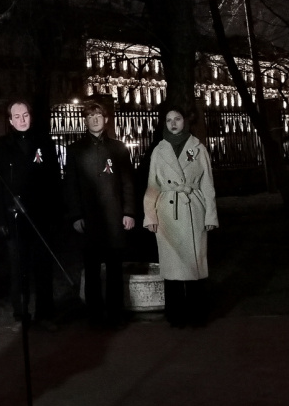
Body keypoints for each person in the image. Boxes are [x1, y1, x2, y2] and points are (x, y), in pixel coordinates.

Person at [143, 105, 218, 327]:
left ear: (185, 121)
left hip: (193, 209)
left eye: (177, 119)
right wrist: (150, 216)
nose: (173, 123)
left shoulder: (198, 148)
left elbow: (207, 184)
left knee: (194, 266)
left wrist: (211, 216)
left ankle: (196, 315)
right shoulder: (159, 150)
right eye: (168, 120)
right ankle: (175, 316)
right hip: (167, 213)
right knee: (172, 267)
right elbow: (152, 185)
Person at [65, 99, 137, 328]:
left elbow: (127, 182)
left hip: (114, 217)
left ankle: (115, 315)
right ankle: (95, 316)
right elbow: (71, 186)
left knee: (115, 269)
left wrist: (129, 212)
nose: (94, 120)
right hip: (89, 220)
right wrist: (76, 215)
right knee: (92, 270)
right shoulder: (75, 150)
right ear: (85, 121)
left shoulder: (118, 148)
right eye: (90, 116)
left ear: (106, 119)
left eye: (98, 116)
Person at [0, 99, 60, 324]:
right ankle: (21, 313)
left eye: (25, 115)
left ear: (31, 116)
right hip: (14, 218)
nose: (22, 120)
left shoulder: (45, 143)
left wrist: (55, 215)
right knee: (19, 269)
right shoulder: (0, 147)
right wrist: (0, 219)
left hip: (41, 217)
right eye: (17, 117)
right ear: (10, 120)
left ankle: (45, 314)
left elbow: (54, 180)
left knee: (43, 268)